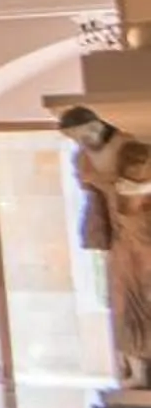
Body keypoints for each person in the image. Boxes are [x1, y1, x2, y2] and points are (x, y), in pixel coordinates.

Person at [58, 105, 151, 388]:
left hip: (144, 230)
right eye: (75, 137)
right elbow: (94, 196)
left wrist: (138, 189)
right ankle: (137, 371)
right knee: (124, 301)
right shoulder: (83, 158)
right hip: (121, 238)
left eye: (84, 133)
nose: (81, 141)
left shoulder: (132, 148)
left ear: (96, 125)